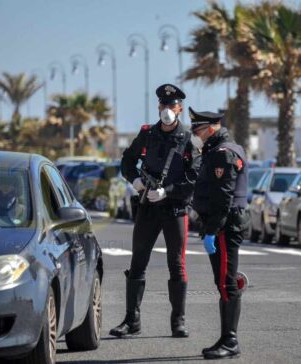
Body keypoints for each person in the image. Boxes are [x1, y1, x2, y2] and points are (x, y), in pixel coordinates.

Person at [109, 84, 200, 338]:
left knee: (177, 265)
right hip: (148, 208)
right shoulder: (147, 134)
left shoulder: (189, 139)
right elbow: (127, 160)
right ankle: (131, 321)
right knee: (137, 263)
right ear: (158, 107)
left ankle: (178, 322)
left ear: (179, 108)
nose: (167, 110)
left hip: (174, 209)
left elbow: (194, 177)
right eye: (163, 105)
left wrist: (168, 191)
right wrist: (135, 181)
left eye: (172, 105)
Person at [189, 107, 248, 360]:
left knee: (226, 284)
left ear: (212, 127)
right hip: (220, 224)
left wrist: (212, 231)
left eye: (199, 129)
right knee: (225, 281)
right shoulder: (216, 149)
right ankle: (226, 337)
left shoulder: (224, 153)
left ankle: (230, 340)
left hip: (224, 225)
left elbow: (223, 197)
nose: (196, 134)